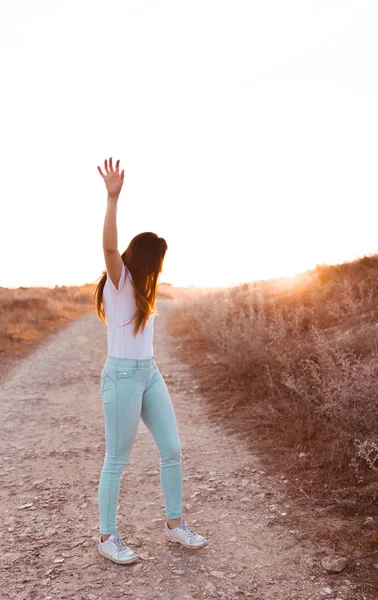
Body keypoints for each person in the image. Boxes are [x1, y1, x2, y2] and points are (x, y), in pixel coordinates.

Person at [94, 157, 208, 565]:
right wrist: (112, 198)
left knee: (172, 448)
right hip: (122, 377)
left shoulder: (144, 291)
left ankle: (174, 526)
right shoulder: (120, 279)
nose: (160, 270)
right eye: (157, 263)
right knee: (117, 459)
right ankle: (107, 537)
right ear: (145, 261)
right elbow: (109, 246)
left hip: (148, 374)